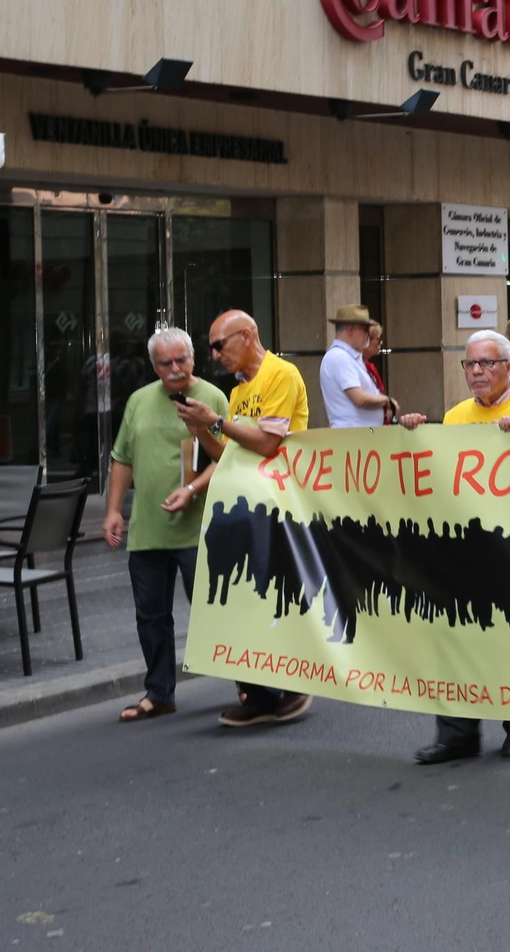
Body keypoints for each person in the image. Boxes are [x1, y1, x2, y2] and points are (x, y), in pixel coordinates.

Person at [395, 330, 510, 763]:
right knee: (454, 636)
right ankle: (456, 734)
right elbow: (441, 475)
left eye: (487, 363)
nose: (477, 372)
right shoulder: (454, 417)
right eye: (470, 365)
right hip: (463, 548)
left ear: (509, 366)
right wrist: (415, 433)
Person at [170, 310, 313, 729]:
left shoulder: (280, 375)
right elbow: (231, 455)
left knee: (269, 597)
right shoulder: (240, 391)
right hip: (248, 508)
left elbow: (269, 444)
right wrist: (201, 430)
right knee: (243, 599)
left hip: (279, 506)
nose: (214, 355)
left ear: (248, 336)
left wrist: (214, 421)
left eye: (220, 344)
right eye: (211, 346)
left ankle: (291, 685)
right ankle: (259, 693)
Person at [103, 327, 230, 723]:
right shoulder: (140, 401)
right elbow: (122, 457)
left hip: (199, 530)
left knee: (215, 613)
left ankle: (252, 687)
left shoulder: (212, 397)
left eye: (182, 360)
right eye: (165, 363)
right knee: (151, 616)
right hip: (148, 530)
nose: (175, 369)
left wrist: (192, 489)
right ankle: (159, 693)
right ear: (153, 365)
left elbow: (227, 458)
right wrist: (113, 510)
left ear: (193, 359)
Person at [319, 305, 391, 429]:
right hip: (352, 437)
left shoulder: (348, 357)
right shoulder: (340, 357)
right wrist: (386, 401)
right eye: (365, 329)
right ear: (350, 330)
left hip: (359, 436)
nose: (368, 334)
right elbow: (359, 399)